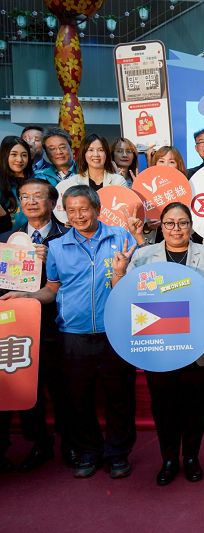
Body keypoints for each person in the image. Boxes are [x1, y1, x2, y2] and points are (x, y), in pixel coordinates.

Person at [1, 185, 145, 478]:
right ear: (65, 213)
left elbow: (140, 281)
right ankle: (88, 452)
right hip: (72, 336)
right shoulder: (57, 246)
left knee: (120, 397)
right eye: (71, 210)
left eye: (84, 209)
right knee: (78, 399)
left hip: (115, 332)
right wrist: (28, 297)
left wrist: (124, 269)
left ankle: (118, 454)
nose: (78, 216)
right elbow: (52, 288)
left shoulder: (121, 237)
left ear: (97, 209)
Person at [122, 202, 204, 486]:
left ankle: (191, 456)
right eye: (169, 223)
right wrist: (119, 273)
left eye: (182, 223)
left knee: (195, 405)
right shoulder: (143, 256)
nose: (176, 229)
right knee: (163, 404)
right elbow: (127, 296)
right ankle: (168, 458)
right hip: (158, 343)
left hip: (199, 343)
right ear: (161, 226)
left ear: (191, 226)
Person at [0, 178, 69, 473]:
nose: (30, 201)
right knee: (24, 387)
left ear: (52, 203)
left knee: (61, 388)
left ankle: (69, 444)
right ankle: (37, 442)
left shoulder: (67, 237)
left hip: (56, 325)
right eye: (25, 196)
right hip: (16, 327)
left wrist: (51, 260)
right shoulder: (7, 239)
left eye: (37, 196)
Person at [59, 134, 127, 191]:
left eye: (100, 150)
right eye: (91, 150)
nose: (96, 154)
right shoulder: (73, 182)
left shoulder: (118, 181)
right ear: (84, 154)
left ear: (106, 154)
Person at [0, 136, 34, 231]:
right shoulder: (1, 183)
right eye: (14, 154)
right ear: (5, 155)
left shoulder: (38, 180)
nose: (19, 159)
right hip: (7, 236)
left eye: (24, 155)